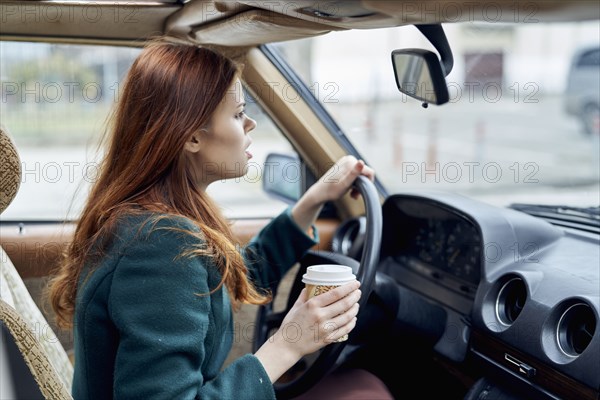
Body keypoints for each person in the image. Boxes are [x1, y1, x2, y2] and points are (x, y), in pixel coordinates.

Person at [48, 38, 392, 399]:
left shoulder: (151, 223)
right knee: (367, 391)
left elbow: (220, 284)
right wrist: (288, 344)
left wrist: (314, 200)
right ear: (193, 137)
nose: (251, 123)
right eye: (238, 112)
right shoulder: (160, 246)